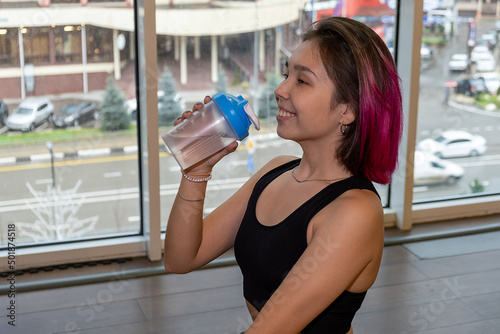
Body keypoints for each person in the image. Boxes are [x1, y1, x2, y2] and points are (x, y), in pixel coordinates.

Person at [164, 16, 402, 334]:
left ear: (347, 109)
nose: (280, 89)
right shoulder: (276, 170)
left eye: (301, 81)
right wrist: (196, 171)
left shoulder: (355, 212)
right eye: (286, 73)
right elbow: (181, 259)